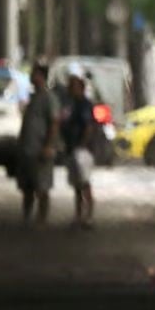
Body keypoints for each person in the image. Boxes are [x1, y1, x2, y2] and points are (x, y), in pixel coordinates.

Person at [17, 64, 60, 226]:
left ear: (41, 76)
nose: (32, 76)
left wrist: (49, 145)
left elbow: (54, 122)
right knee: (27, 187)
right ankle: (27, 217)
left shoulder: (49, 98)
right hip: (27, 149)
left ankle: (42, 219)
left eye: (35, 73)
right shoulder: (33, 97)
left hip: (40, 149)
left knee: (42, 187)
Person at [60, 75, 97, 229]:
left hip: (82, 149)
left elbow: (88, 126)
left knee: (84, 181)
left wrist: (82, 145)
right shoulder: (70, 104)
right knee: (76, 184)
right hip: (71, 148)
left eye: (73, 86)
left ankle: (88, 216)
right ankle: (78, 215)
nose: (69, 89)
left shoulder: (85, 105)